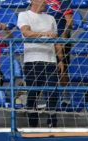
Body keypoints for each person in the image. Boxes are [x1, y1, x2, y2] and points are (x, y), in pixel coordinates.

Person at [18, 0, 65, 128]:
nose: (45, 2)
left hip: (51, 61)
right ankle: (33, 124)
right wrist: (44, 33)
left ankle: (52, 123)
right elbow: (26, 33)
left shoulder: (51, 18)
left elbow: (56, 41)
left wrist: (61, 59)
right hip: (32, 60)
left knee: (52, 94)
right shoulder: (24, 15)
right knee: (33, 94)